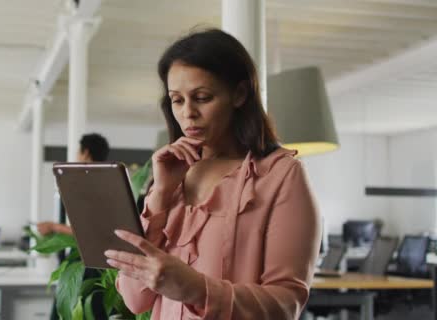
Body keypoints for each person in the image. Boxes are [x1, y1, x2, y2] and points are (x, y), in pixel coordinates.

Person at [104, 29, 320, 319]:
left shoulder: (281, 175)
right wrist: (161, 195)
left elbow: (286, 304)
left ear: (240, 94)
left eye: (202, 97)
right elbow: (134, 300)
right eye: (177, 100)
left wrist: (197, 289)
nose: (188, 113)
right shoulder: (171, 177)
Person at [36, 132, 110, 237]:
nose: (77, 156)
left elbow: (89, 231)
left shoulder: (89, 185)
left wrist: (53, 226)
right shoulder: (107, 182)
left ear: (86, 153)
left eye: (78, 152)